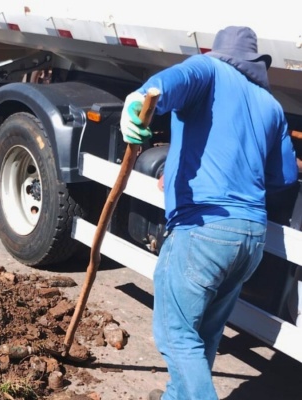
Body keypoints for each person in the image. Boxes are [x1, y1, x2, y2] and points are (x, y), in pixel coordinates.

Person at [119, 26, 298, 400]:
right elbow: (283, 177)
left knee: (177, 334)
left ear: (218, 52)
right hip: (250, 236)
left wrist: (137, 100)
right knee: (204, 335)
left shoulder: (208, 70)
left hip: (203, 229)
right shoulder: (271, 106)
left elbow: (172, 82)